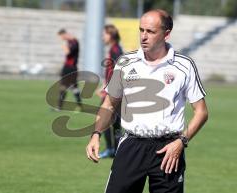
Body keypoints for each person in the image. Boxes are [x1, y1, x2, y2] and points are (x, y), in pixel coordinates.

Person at [86, 9, 208, 193]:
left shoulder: (184, 65)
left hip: (169, 149)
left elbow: (201, 112)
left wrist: (181, 142)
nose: (143, 36)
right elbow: (109, 104)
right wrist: (96, 134)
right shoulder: (125, 62)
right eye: (141, 30)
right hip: (131, 146)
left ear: (166, 34)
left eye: (150, 31)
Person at [96, 24, 123, 158]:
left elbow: (119, 72)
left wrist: (108, 88)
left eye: (104, 34)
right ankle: (115, 150)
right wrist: (104, 84)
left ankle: (112, 149)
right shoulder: (114, 49)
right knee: (115, 121)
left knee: (104, 117)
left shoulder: (115, 51)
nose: (102, 36)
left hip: (114, 91)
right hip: (112, 89)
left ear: (110, 35)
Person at [57, 29, 81, 110]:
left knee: (68, 86)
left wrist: (64, 46)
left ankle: (60, 107)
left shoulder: (74, 42)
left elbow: (68, 52)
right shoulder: (70, 42)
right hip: (68, 67)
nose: (61, 39)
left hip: (71, 68)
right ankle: (79, 105)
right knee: (72, 87)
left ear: (64, 34)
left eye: (61, 37)